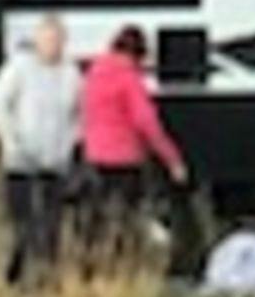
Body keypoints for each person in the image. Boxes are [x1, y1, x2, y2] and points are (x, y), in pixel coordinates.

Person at [78, 24, 189, 267]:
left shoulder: (93, 73)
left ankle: (93, 266)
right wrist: (173, 160)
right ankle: (123, 265)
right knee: (128, 218)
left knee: (99, 218)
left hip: (94, 156)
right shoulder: (129, 78)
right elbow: (146, 122)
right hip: (124, 158)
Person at [0, 15, 80, 279]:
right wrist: (12, 139)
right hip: (21, 160)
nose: (54, 46)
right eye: (48, 39)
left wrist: (69, 143)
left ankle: (48, 276)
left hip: (55, 160)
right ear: (38, 40)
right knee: (23, 224)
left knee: (52, 223)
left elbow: (78, 112)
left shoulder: (70, 73)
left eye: (58, 40)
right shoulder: (19, 68)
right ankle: (16, 276)